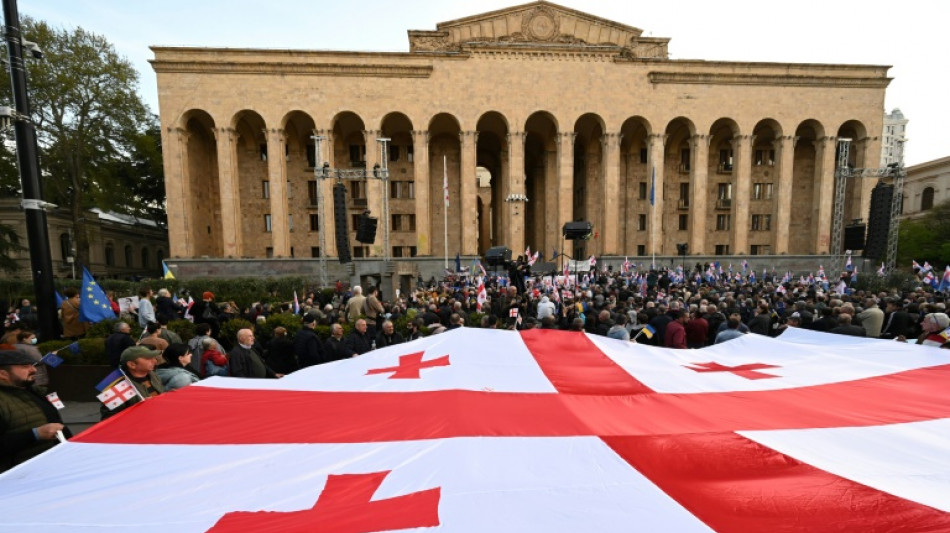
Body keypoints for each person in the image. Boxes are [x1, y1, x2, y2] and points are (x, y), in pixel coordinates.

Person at [0, 347, 71, 472]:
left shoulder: (32, 391)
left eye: (32, 365)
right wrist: (35, 434)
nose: (33, 370)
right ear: (3, 374)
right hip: (20, 476)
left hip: (52, 466)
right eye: (24, 366)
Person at [101, 345, 164, 420]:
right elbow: (109, 419)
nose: (155, 361)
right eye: (148, 358)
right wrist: (140, 410)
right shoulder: (117, 386)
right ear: (132, 364)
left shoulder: (152, 375)